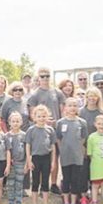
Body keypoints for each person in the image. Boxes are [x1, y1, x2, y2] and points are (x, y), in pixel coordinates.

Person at [28, 67, 65, 195]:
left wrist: (56, 122)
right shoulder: (35, 94)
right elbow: (32, 114)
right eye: (42, 76)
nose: (45, 78)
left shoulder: (57, 92)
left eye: (47, 76)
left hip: (55, 129)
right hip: (41, 131)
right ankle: (39, 185)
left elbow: (62, 111)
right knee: (41, 158)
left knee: (55, 157)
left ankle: (53, 183)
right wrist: (43, 122)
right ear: (38, 78)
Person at [55, 98, 88, 204]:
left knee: (75, 180)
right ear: (65, 108)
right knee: (66, 179)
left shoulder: (82, 123)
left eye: (75, 105)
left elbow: (83, 137)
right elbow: (58, 138)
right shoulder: (60, 123)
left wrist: (78, 148)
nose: (72, 108)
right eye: (70, 105)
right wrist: (62, 149)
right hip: (65, 156)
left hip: (77, 156)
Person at [25, 105, 57, 204]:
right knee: (35, 183)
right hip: (35, 159)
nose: (41, 118)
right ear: (35, 117)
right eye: (39, 116)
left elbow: (53, 146)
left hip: (46, 158)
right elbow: (28, 146)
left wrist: (53, 162)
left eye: (44, 116)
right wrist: (29, 160)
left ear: (47, 117)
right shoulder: (31, 130)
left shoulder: (50, 130)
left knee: (45, 183)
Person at [5, 112, 28, 204]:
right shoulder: (6, 136)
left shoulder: (24, 135)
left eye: (17, 121)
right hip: (10, 164)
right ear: (9, 122)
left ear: (21, 122)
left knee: (19, 185)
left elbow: (28, 151)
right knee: (10, 184)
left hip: (21, 163)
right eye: (13, 121)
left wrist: (27, 163)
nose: (15, 123)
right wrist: (7, 163)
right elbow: (5, 151)